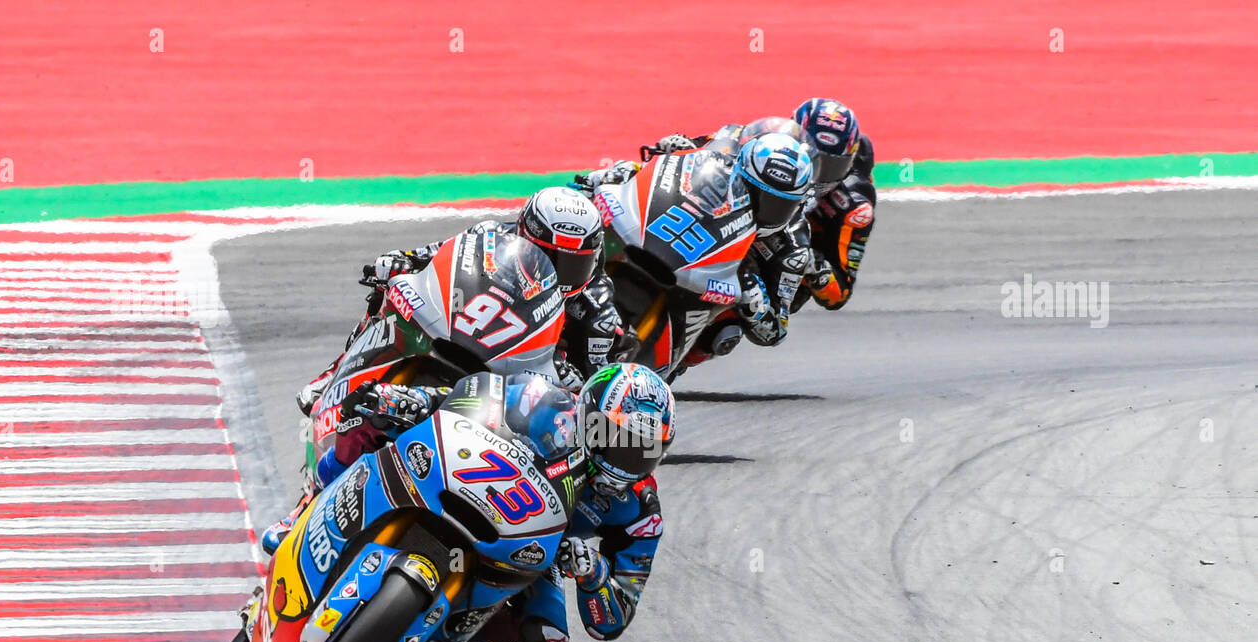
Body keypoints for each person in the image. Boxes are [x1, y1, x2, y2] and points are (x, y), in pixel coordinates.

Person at [311, 363, 676, 642]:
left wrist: (592, 573)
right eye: (621, 437)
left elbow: (612, 622)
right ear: (591, 415)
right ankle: (314, 499)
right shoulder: (546, 402)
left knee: (546, 639)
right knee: (373, 412)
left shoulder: (641, 510)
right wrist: (418, 401)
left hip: (535, 547)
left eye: (644, 448)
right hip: (475, 481)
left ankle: (461, 622)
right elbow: (468, 397)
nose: (628, 456)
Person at [294, 186, 621, 417]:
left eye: (573, 265)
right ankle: (334, 375)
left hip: (529, 369)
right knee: (388, 289)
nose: (559, 273)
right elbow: (432, 254)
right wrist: (400, 261)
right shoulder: (490, 234)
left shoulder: (596, 302)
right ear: (523, 235)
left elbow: (596, 389)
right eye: (548, 256)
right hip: (466, 326)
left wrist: (573, 378)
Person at [582, 130, 814, 359]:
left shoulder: (792, 248)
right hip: (679, 238)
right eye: (754, 193)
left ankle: (678, 360)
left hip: (722, 287)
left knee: (725, 333)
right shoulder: (722, 156)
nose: (762, 208)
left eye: (777, 205)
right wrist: (633, 169)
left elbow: (776, 332)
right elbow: (673, 159)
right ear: (740, 174)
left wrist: (756, 302)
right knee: (593, 193)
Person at [790, 98, 875, 313]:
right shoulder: (773, 144)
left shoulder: (855, 207)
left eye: (829, 165)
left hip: (791, 251)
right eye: (810, 157)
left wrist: (813, 264)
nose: (817, 173)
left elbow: (839, 295)